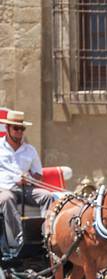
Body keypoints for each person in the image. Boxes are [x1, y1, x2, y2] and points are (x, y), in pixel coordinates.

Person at [0, 110, 55, 259]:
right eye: (16, 128)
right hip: (4, 189)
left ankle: (47, 236)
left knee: (48, 196)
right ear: (7, 129)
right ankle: (20, 239)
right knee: (6, 199)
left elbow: (39, 175)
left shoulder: (30, 150)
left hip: (26, 188)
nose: (19, 132)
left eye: (22, 129)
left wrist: (29, 177)